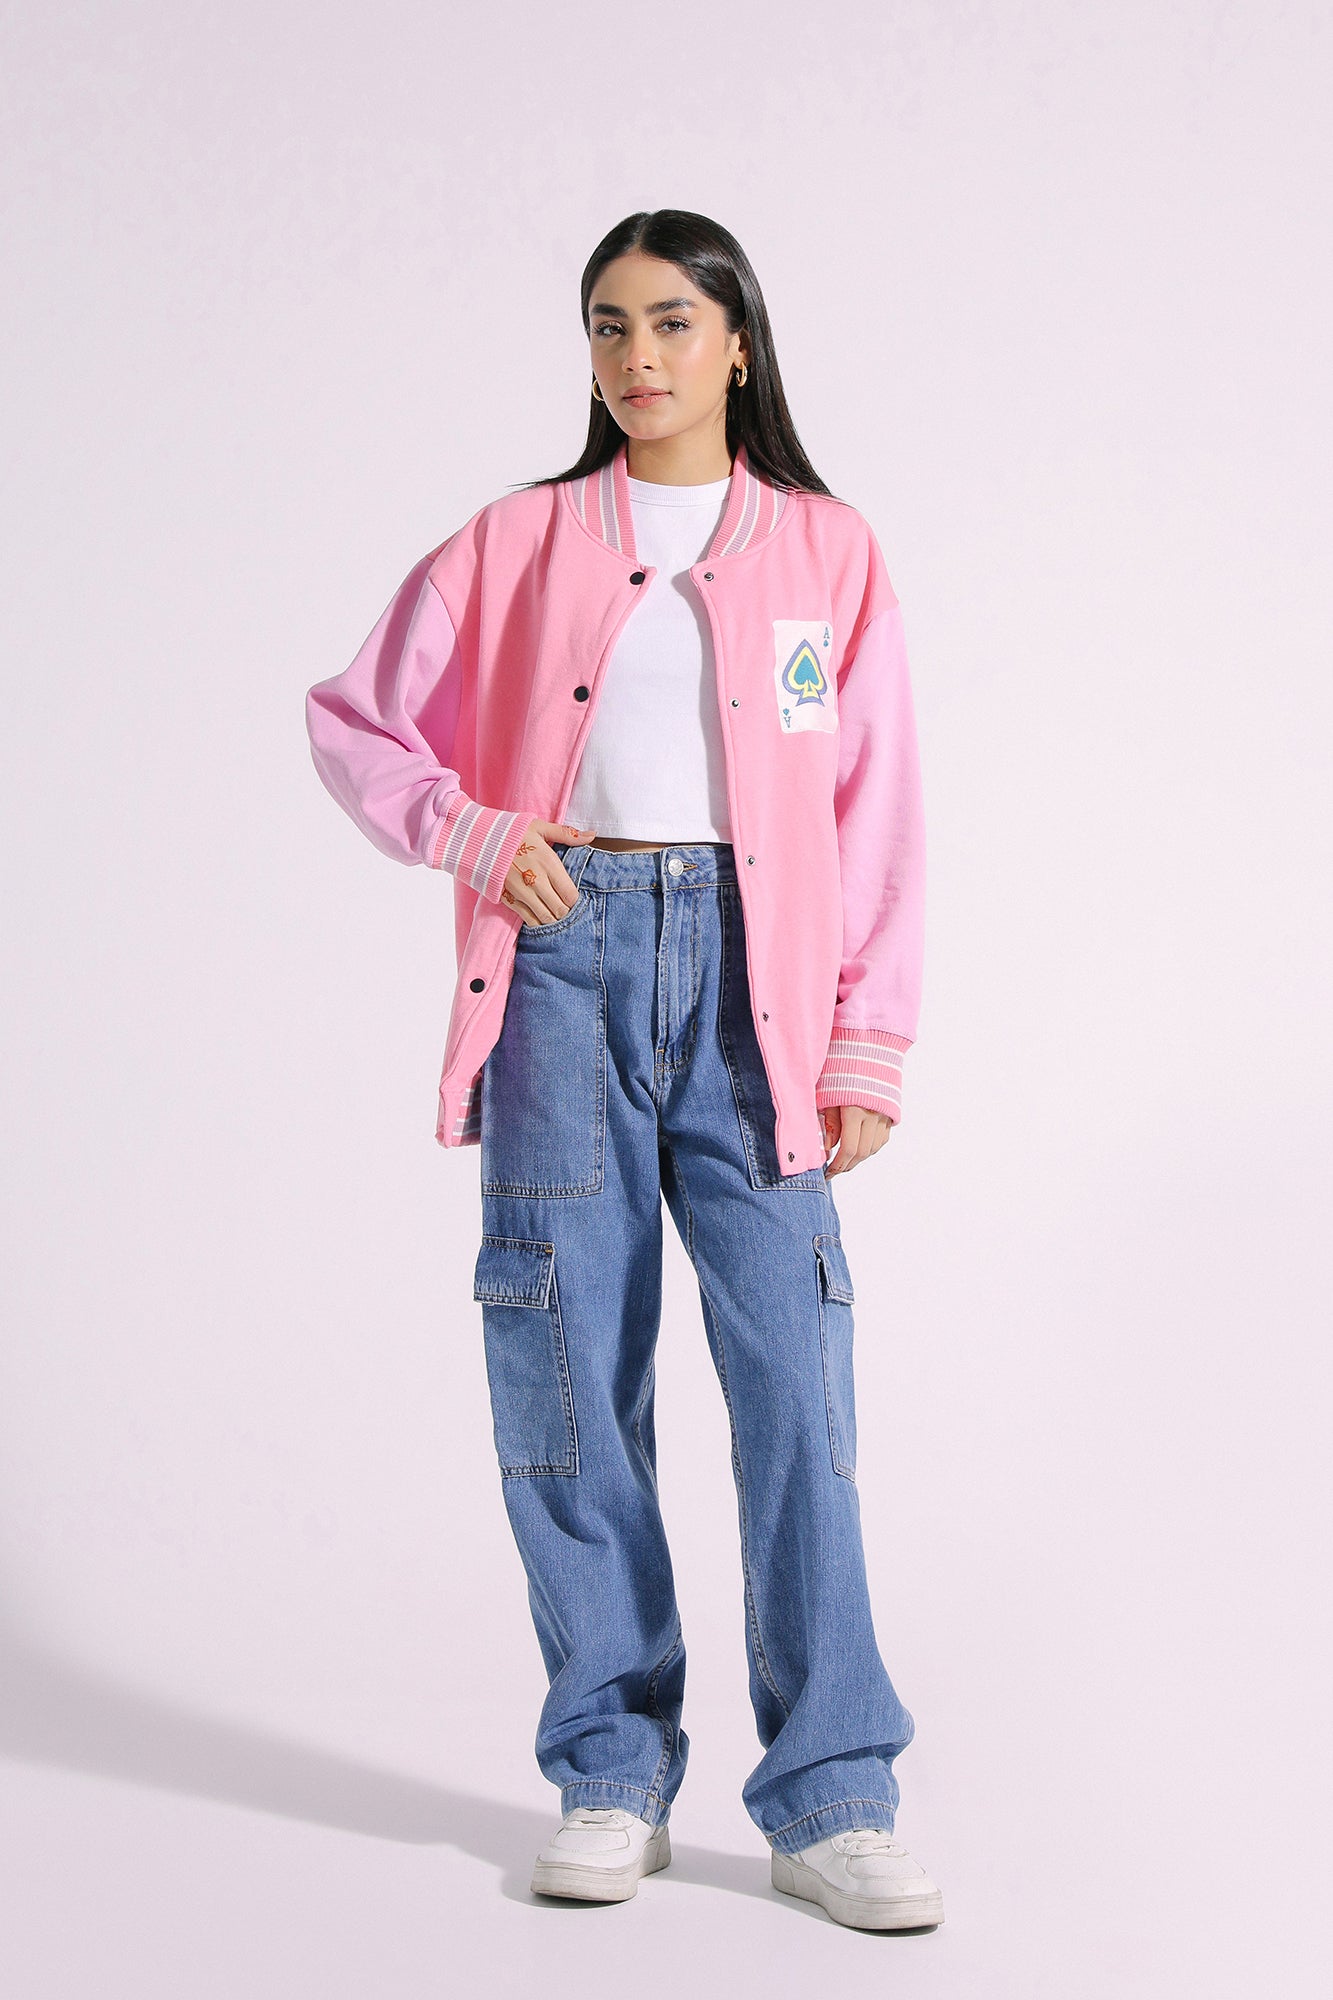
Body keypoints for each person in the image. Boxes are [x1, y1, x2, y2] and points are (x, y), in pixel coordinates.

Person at [305, 209, 943, 1933]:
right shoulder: (514, 537)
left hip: (759, 1000)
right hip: (564, 972)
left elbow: (873, 799)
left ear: (737, 341)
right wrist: (473, 831)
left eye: (670, 322)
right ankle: (607, 1771)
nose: (637, 357)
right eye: (607, 326)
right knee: (567, 1380)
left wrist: (866, 1034)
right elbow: (354, 721)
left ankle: (831, 1795)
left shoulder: (826, 549)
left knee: (796, 1389)